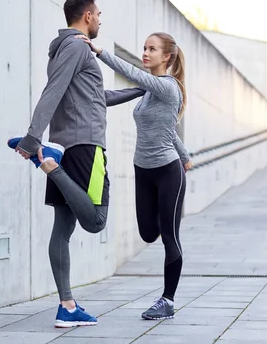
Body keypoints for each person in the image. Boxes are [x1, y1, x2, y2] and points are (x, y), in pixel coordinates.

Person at [14, 0, 143, 328]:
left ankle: (67, 306)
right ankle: (49, 164)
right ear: (86, 16)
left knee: (63, 227)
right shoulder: (77, 46)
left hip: (65, 142)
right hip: (86, 147)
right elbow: (52, 91)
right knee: (96, 220)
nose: (101, 19)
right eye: (98, 14)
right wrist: (32, 138)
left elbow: (96, 97)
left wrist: (140, 89)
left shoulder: (64, 51)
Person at [77, 32, 193, 320]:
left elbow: (130, 73)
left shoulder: (166, 86)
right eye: (144, 48)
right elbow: (166, 128)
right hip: (142, 169)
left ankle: (167, 300)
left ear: (166, 57)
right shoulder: (151, 91)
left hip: (167, 171)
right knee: (147, 232)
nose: (145, 53)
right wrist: (187, 154)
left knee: (169, 235)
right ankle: (166, 293)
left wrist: (100, 52)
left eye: (152, 49)